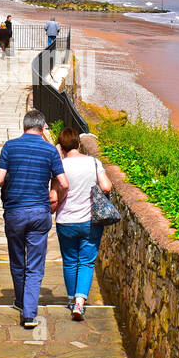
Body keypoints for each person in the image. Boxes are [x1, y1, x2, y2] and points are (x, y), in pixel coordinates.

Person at [0, 109, 68, 329]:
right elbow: (63, 183)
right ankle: (29, 314)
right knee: (35, 265)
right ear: (42, 127)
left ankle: (19, 300)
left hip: (15, 212)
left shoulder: (9, 147)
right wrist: (55, 198)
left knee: (17, 260)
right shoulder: (50, 150)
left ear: (24, 126)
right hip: (39, 213)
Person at [53, 127, 113, 321]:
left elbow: (54, 195)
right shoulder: (93, 162)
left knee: (70, 261)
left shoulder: (60, 166)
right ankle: (80, 302)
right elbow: (106, 186)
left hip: (66, 221)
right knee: (86, 262)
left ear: (61, 147)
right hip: (89, 221)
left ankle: (71, 300)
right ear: (79, 144)